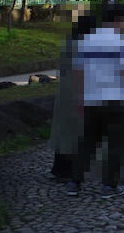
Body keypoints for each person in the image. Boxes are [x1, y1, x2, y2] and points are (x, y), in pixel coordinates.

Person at [67, 7, 124, 198]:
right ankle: (109, 186)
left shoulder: (87, 41)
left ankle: (74, 182)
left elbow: (77, 72)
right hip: (115, 98)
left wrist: (78, 97)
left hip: (91, 98)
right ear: (118, 21)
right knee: (115, 143)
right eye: (123, 22)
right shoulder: (120, 42)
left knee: (87, 141)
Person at [48, 12, 87, 181]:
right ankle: (70, 172)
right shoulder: (83, 46)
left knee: (63, 132)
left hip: (64, 93)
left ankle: (59, 169)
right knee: (74, 133)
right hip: (77, 93)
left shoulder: (69, 43)